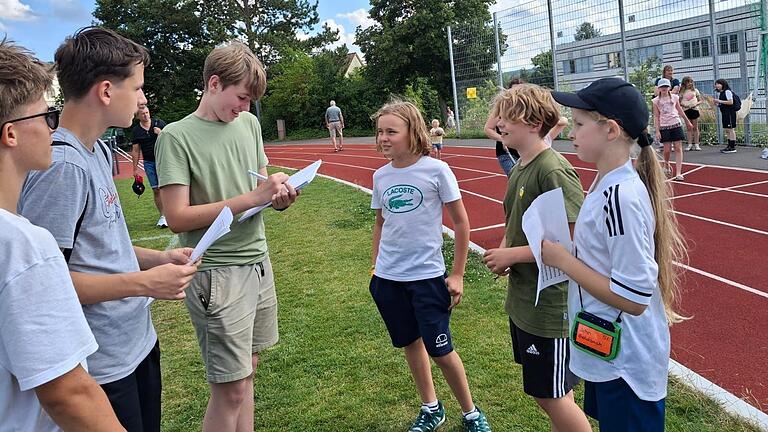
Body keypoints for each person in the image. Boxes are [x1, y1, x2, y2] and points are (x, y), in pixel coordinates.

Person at [19, 27, 199, 432]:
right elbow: (51, 284)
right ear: (105, 91)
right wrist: (144, 284)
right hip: (103, 365)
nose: (142, 99)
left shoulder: (99, 150)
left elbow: (103, 247)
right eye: (136, 87)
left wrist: (160, 259)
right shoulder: (62, 169)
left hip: (135, 343)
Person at [156, 41, 298, 432]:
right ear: (214, 84)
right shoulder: (176, 137)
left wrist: (279, 196)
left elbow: (258, 186)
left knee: (247, 372)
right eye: (241, 97)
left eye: (250, 101)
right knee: (230, 389)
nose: (245, 108)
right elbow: (175, 217)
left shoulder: (248, 124)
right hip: (217, 272)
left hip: (257, 261)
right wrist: (253, 196)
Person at [547, 77, 687, 432]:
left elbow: (635, 297)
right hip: (607, 348)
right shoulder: (606, 183)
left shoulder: (620, 197)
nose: (571, 132)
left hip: (626, 362)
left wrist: (565, 262)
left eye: (578, 124)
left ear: (610, 130)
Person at [0, 38, 125, 432]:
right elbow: (66, 391)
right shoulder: (20, 244)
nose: (52, 128)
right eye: (45, 116)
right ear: (12, 134)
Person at [370, 100, 491, 432]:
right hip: (389, 279)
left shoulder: (436, 170)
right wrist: (375, 268)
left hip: (427, 278)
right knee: (410, 343)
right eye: (380, 131)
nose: (383, 138)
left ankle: (470, 412)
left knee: (441, 350)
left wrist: (458, 274)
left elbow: (462, 224)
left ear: (413, 132)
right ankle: (431, 408)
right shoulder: (380, 176)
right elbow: (381, 224)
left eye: (391, 131)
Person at [481, 84, 590, 432]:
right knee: (552, 393)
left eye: (506, 116)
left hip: (550, 306)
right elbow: (519, 221)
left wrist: (511, 254)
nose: (498, 123)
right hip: (526, 298)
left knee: (552, 395)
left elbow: (571, 242)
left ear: (531, 122)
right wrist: (506, 251)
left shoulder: (552, 168)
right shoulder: (520, 166)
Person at [131, 105, 167, 227]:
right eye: (143, 114)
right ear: (138, 116)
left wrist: (161, 133)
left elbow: (171, 140)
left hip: (164, 160)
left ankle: (174, 212)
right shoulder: (136, 131)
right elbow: (135, 150)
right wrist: (135, 168)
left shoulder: (159, 123)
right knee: (156, 190)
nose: (146, 115)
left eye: (147, 112)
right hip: (149, 162)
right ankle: (163, 216)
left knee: (168, 187)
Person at [652, 78, 692, 181]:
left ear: (669, 87)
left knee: (678, 148)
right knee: (666, 150)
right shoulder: (656, 101)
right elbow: (656, 116)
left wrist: (687, 121)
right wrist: (657, 130)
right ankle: (666, 163)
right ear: (659, 88)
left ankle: (678, 172)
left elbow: (679, 110)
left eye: (666, 86)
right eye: (662, 87)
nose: (664, 88)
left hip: (676, 124)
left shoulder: (674, 97)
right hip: (664, 126)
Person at [711, 79, 738, 154]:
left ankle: (732, 147)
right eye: (716, 84)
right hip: (725, 113)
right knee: (727, 129)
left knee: (730, 129)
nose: (716, 85)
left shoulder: (727, 91)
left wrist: (719, 101)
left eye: (718, 84)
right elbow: (724, 104)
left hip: (730, 113)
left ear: (723, 84)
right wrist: (718, 104)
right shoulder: (722, 93)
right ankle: (729, 145)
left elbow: (730, 102)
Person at [679, 76, 702, 151]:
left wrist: (696, 104)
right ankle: (689, 144)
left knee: (695, 127)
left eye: (691, 82)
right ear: (684, 83)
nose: (690, 83)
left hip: (694, 109)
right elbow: (679, 102)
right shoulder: (682, 91)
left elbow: (700, 100)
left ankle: (697, 144)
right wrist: (685, 105)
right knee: (689, 128)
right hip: (686, 110)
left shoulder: (695, 90)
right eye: (688, 82)